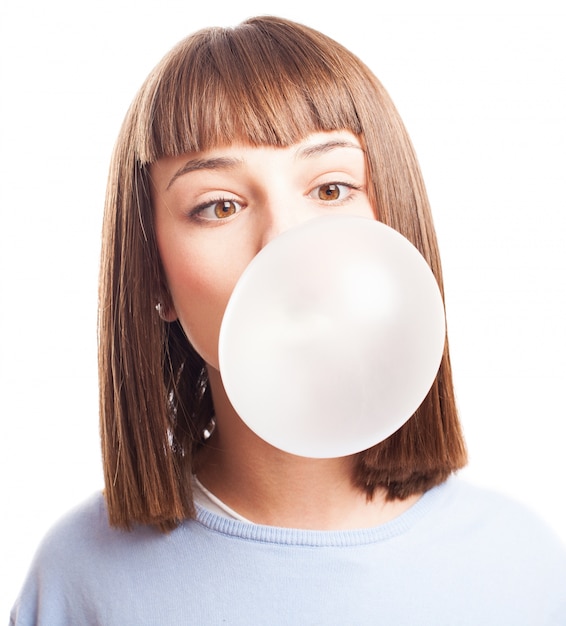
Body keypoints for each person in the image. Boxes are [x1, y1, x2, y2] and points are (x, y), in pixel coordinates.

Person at [10, 16, 566, 625]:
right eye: (218, 205)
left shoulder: (522, 564)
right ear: (155, 276)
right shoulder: (80, 580)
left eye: (330, 190)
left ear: (394, 227)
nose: (283, 242)